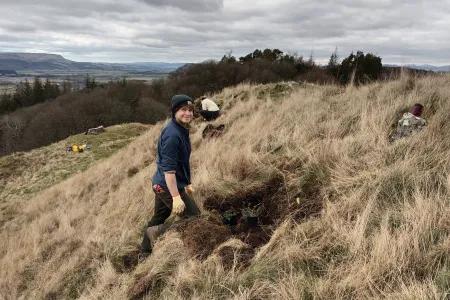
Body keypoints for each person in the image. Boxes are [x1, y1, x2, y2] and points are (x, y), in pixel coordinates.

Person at [140, 94, 201, 256]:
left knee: (160, 216)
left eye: (190, 110)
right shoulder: (173, 135)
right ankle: (155, 233)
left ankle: (145, 251)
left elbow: (181, 162)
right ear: (175, 111)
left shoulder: (181, 128)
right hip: (166, 185)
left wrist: (187, 182)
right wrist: (175, 197)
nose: (188, 113)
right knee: (193, 217)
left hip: (161, 183)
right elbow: (169, 172)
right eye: (183, 110)